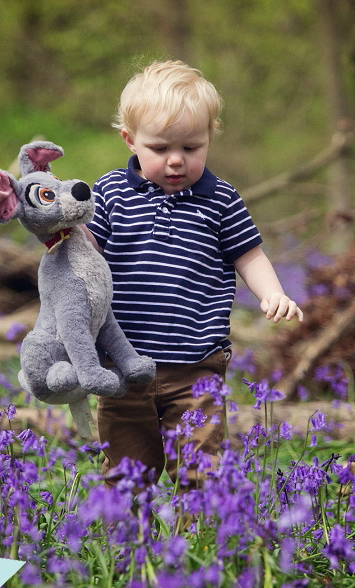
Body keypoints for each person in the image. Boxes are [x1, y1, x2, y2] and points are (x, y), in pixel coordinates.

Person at [85, 60, 304, 484]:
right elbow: (86, 255)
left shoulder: (220, 199)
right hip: (122, 366)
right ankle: (132, 545)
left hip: (196, 367)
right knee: (127, 472)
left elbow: (249, 255)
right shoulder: (111, 193)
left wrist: (272, 293)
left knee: (202, 469)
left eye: (190, 148)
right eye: (160, 148)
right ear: (130, 141)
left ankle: (201, 541)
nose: (175, 162)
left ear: (209, 138)